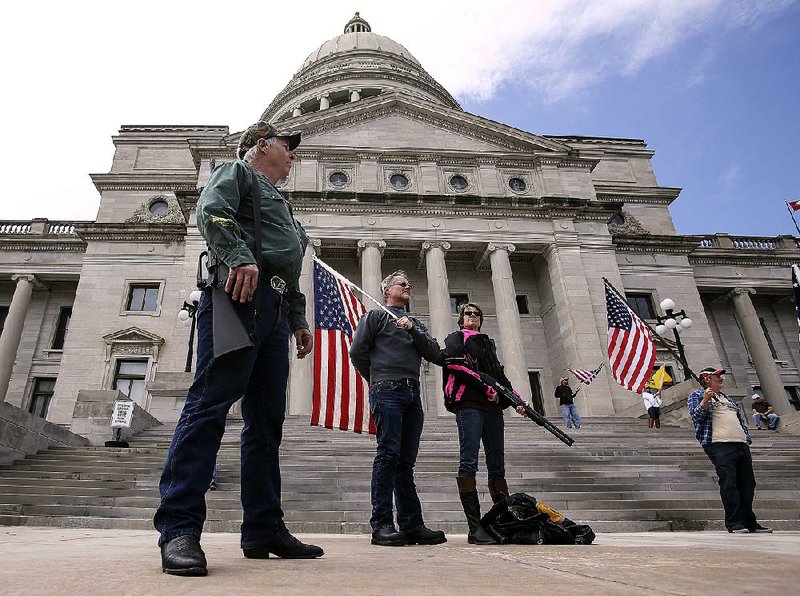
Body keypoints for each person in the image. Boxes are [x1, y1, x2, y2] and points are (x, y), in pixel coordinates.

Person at [154, 121, 323, 576]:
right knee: (211, 402)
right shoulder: (236, 172)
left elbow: (290, 268)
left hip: (274, 305)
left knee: (267, 422)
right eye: (288, 146)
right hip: (237, 293)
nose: (292, 154)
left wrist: (298, 318)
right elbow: (211, 210)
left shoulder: (286, 208)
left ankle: (264, 528)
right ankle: (179, 527)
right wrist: (237, 255)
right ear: (261, 144)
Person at [349, 271, 447, 547]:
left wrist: (412, 329)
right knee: (388, 454)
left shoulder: (414, 322)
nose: (408, 286)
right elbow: (357, 352)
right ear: (387, 290)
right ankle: (381, 524)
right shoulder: (376, 316)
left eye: (408, 283)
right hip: (387, 389)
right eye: (402, 283)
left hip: (413, 394)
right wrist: (377, 378)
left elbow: (436, 355)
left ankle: (412, 523)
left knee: (406, 461)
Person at [439, 302, 528, 544]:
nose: (472, 317)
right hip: (468, 404)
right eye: (468, 313)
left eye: (477, 314)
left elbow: (498, 375)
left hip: (492, 408)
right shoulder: (455, 338)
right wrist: (486, 386)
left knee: (497, 463)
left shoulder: (487, 343)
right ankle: (474, 527)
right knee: (469, 461)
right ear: (460, 318)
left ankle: (503, 521)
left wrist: (515, 400)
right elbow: (455, 365)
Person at [687, 367, 772, 534]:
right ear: (707, 380)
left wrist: (746, 438)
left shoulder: (728, 399)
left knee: (748, 484)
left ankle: (750, 521)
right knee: (729, 483)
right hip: (719, 444)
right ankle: (734, 522)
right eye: (718, 377)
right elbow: (696, 418)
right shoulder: (696, 395)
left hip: (740, 444)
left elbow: (739, 420)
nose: (721, 379)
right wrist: (705, 400)